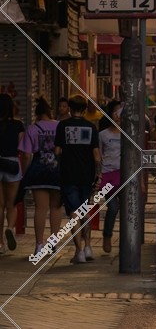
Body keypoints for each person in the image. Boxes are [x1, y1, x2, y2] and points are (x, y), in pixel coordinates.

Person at [55, 94, 101, 263]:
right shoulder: (91, 127)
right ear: (84, 109)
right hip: (86, 175)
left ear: (70, 108)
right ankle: (88, 247)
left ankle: (78, 251)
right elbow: (96, 155)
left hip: (68, 175)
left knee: (74, 213)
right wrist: (98, 175)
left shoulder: (62, 126)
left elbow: (57, 151)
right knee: (84, 210)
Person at [19, 97, 62, 254]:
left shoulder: (32, 128)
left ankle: (38, 245)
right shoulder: (60, 126)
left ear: (37, 114)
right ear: (50, 112)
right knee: (56, 207)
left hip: (38, 170)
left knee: (40, 208)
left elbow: (26, 155)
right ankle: (53, 242)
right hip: (57, 170)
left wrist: (25, 173)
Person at [0, 93, 23, 253]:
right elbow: (22, 149)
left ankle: (0, 244)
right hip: (13, 163)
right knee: (11, 204)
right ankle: (10, 228)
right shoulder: (18, 125)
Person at [98, 105, 121, 253]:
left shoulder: (129, 135)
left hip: (124, 175)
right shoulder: (102, 135)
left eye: (120, 113)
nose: (118, 116)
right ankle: (107, 236)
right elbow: (98, 157)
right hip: (107, 175)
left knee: (127, 209)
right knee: (112, 208)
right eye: (115, 112)